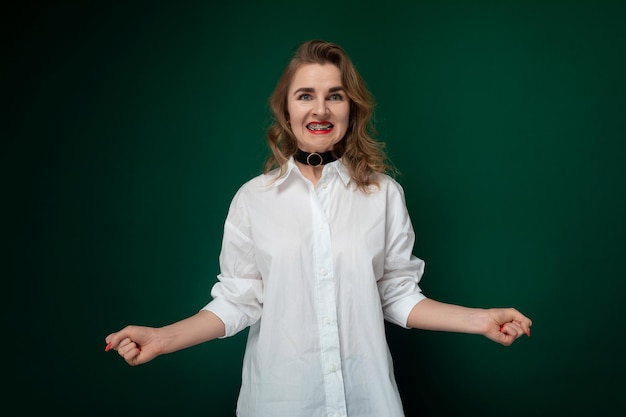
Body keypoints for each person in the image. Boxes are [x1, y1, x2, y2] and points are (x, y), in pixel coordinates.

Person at [105, 39, 532, 417]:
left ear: (352, 108)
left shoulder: (383, 194)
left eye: (335, 96)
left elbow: (397, 296)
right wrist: (163, 339)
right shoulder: (253, 199)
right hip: (279, 402)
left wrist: (480, 319)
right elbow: (238, 300)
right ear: (286, 108)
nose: (320, 109)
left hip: (368, 401)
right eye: (305, 95)